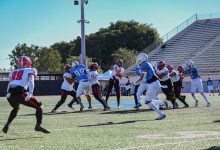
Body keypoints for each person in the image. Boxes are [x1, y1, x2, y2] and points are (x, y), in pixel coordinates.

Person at [2, 56, 50, 134]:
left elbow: (9, 83)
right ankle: (38, 126)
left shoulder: (13, 71)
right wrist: (30, 93)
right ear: (28, 63)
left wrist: (7, 93)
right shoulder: (31, 70)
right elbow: (31, 81)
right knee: (39, 106)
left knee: (16, 108)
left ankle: (7, 125)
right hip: (20, 92)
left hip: (10, 94)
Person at [136, 53, 167, 120]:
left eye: (138, 59)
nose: (138, 60)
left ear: (142, 58)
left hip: (152, 84)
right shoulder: (147, 63)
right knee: (149, 100)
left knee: (147, 101)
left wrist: (134, 83)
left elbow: (142, 77)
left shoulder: (144, 64)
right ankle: (163, 103)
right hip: (154, 83)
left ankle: (161, 113)